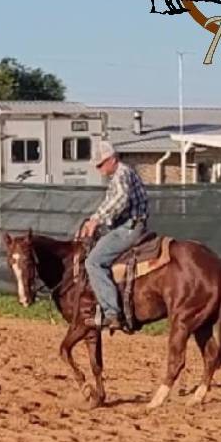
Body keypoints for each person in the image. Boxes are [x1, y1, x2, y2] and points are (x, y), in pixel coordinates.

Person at [76, 141, 149, 330]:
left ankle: (111, 312)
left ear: (112, 160)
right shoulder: (119, 175)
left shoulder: (122, 174)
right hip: (126, 225)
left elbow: (120, 200)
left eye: (100, 164)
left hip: (129, 228)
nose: (98, 168)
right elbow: (110, 203)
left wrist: (95, 221)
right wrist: (93, 219)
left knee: (93, 262)